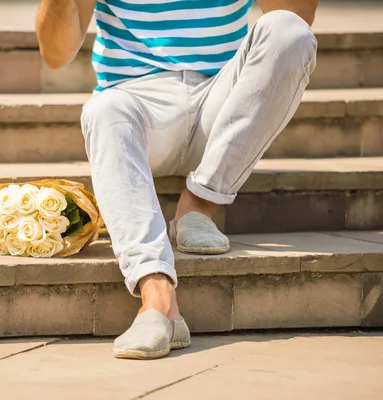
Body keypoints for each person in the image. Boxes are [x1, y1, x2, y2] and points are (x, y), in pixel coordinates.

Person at [36, 0, 318, 360]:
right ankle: (157, 298)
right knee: (104, 110)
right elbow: (56, 54)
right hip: (138, 103)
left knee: (289, 31)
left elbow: (300, 18)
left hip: (222, 101)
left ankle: (199, 204)